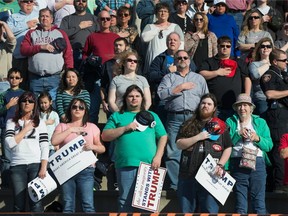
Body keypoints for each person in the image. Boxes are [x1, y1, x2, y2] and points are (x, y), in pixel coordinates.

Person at [102, 84, 167, 212]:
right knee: (125, 201)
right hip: (125, 164)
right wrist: (125, 128)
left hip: (150, 166)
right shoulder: (117, 116)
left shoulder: (151, 115)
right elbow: (105, 135)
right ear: (125, 98)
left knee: (147, 206)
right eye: (131, 96)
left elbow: (163, 136)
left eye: (137, 96)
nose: (134, 98)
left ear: (142, 98)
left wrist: (158, 157)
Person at [158, 50, 209, 190]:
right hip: (174, 118)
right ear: (175, 60)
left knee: (197, 151)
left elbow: (206, 100)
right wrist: (180, 87)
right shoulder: (168, 78)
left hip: (194, 118)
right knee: (172, 152)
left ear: (189, 60)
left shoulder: (199, 79)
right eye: (179, 57)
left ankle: (195, 184)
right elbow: (161, 95)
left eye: (185, 57)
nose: (182, 59)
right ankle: (176, 185)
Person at [176, 93, 232, 213]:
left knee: (210, 210)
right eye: (203, 103)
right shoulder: (188, 124)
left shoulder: (221, 126)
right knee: (187, 212)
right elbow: (179, 144)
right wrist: (198, 137)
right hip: (188, 174)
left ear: (214, 108)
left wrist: (221, 165)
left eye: (209, 104)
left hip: (210, 176)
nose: (205, 106)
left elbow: (228, 147)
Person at [51, 98, 105, 213]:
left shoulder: (92, 127)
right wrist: (70, 130)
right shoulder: (62, 126)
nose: (77, 109)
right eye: (74, 107)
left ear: (85, 111)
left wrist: (92, 147)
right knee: (68, 205)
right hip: (66, 170)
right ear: (70, 109)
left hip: (86, 170)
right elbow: (54, 141)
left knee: (88, 205)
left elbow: (102, 148)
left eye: (81, 107)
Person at [226, 93, 273, 213]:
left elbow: (269, 146)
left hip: (257, 163)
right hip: (237, 163)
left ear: (251, 108)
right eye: (240, 105)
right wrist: (237, 134)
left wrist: (258, 138)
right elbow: (225, 144)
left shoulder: (260, 122)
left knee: (259, 203)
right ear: (236, 108)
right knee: (240, 205)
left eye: (245, 105)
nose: (242, 108)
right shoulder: (230, 121)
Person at [5, 91, 49, 212]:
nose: (27, 103)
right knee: (19, 204)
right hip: (17, 166)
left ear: (35, 104)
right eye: (24, 100)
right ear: (19, 104)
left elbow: (45, 145)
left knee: (36, 203)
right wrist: (25, 130)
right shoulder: (11, 122)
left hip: (35, 165)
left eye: (30, 101)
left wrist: (43, 167)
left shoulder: (39, 123)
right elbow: (10, 144)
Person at [20, 8, 73, 97]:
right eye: (42, 16)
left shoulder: (60, 33)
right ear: (39, 18)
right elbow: (23, 50)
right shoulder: (31, 33)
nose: (44, 18)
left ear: (52, 19)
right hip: (35, 78)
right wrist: (41, 47)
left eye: (47, 16)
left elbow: (68, 53)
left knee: (55, 105)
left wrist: (69, 71)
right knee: (36, 106)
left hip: (54, 78)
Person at [198, 36, 250, 121]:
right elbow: (201, 74)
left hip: (235, 106)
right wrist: (217, 72)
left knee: (233, 132)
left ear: (231, 48)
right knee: (214, 132)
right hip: (215, 107)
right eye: (222, 46)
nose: (225, 48)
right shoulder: (210, 61)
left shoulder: (239, 62)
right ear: (217, 46)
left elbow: (247, 78)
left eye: (228, 46)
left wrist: (246, 97)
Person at [82, 10, 119, 124]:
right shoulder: (92, 37)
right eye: (102, 19)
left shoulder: (116, 37)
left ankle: (109, 139)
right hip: (96, 76)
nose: (105, 21)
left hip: (111, 77)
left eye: (108, 19)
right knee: (93, 111)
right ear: (98, 21)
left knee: (111, 110)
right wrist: (90, 62)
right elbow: (85, 55)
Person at [260, 48, 288, 192]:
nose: (286, 62)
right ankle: (278, 185)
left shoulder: (283, 74)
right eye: (284, 60)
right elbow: (269, 94)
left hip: (285, 114)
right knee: (279, 148)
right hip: (277, 115)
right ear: (275, 61)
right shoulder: (269, 75)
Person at [141, 2, 184, 76]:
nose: (163, 13)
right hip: (153, 65)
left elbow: (181, 45)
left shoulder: (175, 27)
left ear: (168, 14)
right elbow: (144, 38)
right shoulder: (150, 26)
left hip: (170, 63)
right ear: (156, 14)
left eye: (165, 11)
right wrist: (158, 29)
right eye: (160, 11)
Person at [6, 0, 41, 90]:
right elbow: (7, 34)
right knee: (19, 87)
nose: (29, 3)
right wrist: (26, 25)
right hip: (19, 58)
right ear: (19, 3)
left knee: (34, 87)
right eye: (25, 1)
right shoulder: (13, 17)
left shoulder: (39, 15)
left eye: (31, 1)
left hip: (36, 57)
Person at [148, 31, 181, 123]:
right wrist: (168, 71)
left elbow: (193, 73)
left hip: (180, 100)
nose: (172, 42)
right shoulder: (160, 58)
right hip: (163, 100)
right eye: (170, 40)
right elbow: (151, 76)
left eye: (175, 40)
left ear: (179, 43)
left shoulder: (185, 58)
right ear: (166, 43)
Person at [0, 68, 25, 188]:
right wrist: (8, 105)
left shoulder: (24, 94)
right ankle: (6, 185)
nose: (14, 80)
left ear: (21, 80)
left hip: (21, 128)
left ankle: (20, 184)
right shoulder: (3, 94)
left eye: (17, 77)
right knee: (7, 158)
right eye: (11, 77)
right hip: (6, 128)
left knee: (21, 156)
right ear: (8, 79)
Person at [60, 0, 98, 70]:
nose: (81, 2)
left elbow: (99, 36)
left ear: (86, 4)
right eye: (78, 1)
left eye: (83, 1)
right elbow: (62, 35)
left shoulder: (94, 18)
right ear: (74, 3)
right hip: (73, 53)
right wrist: (79, 27)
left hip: (90, 53)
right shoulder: (67, 19)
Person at [101, 37, 130, 116]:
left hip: (128, 101)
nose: (118, 47)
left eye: (120, 45)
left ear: (126, 47)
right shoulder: (107, 64)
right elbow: (103, 85)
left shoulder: (132, 63)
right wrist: (103, 101)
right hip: (111, 101)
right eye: (116, 45)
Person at [249, 37, 273, 116]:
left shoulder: (276, 63)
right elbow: (255, 75)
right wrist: (267, 64)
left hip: (277, 97)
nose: (265, 48)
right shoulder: (254, 64)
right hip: (261, 98)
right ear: (259, 49)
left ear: (272, 49)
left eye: (268, 46)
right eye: (262, 46)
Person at [38, 91, 60, 156]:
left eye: (45, 102)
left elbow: (58, 130)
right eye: (41, 103)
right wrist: (46, 122)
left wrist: (57, 144)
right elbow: (35, 127)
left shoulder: (54, 114)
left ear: (50, 102)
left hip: (51, 145)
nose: (43, 105)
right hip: (40, 145)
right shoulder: (37, 115)